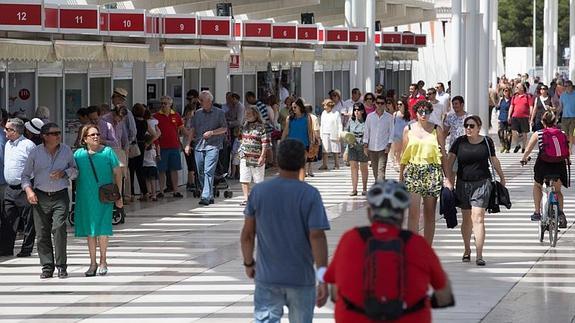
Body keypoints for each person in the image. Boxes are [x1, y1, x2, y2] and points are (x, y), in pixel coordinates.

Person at [323, 180, 454, 323]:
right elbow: (444, 294)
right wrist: (431, 301)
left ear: (369, 212)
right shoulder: (417, 244)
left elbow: (335, 291)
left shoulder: (350, 239)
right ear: (403, 213)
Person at [240, 139, 330, 323]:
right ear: (302, 162)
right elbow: (317, 237)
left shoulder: (259, 192)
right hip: (301, 278)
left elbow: (248, 235)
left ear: (278, 161)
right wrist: (322, 278)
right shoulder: (310, 194)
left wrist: (249, 263)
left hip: (267, 278)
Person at [446, 115, 506, 266]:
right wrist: (448, 179)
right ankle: (467, 249)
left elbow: (493, 159)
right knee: (466, 220)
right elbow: (449, 160)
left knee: (478, 217)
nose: (468, 128)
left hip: (482, 183)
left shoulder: (487, 141)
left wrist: (502, 177)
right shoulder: (459, 142)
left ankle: (479, 254)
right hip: (463, 184)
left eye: (472, 126)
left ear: (479, 127)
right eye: (466, 125)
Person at [21, 123, 77, 278]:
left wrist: (64, 173)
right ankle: (47, 266)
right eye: (54, 133)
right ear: (44, 136)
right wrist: (29, 190)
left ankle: (61, 266)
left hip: (60, 195)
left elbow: (75, 170)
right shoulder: (35, 152)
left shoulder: (66, 151)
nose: (58, 135)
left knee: (59, 228)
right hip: (40, 196)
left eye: (59, 132)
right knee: (42, 233)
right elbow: (25, 176)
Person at [74, 124, 123, 276]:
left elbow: (118, 174)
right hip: (85, 197)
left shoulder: (108, 152)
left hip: (104, 196)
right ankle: (92, 263)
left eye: (97, 134)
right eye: (92, 135)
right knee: (90, 230)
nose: (96, 137)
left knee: (102, 228)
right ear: (84, 139)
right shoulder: (78, 155)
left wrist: (119, 195)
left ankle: (103, 260)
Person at [400, 101, 449, 245]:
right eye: (420, 111)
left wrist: (447, 178)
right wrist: (400, 177)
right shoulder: (408, 129)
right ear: (415, 112)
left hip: (432, 171)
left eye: (426, 111)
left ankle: (426, 248)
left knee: (429, 213)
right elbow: (404, 155)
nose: (423, 114)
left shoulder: (436, 129)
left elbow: (443, 154)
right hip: (413, 170)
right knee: (413, 212)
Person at [521, 111, 569, 227]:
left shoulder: (539, 133)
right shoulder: (562, 133)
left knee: (537, 185)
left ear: (543, 122)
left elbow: (528, 150)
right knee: (558, 191)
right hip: (559, 165)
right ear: (555, 121)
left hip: (544, 165)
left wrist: (524, 158)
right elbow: (567, 151)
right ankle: (561, 214)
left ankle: (537, 212)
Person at [0, 118, 37, 257]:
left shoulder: (28, 145)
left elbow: (36, 165)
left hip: (25, 187)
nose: (4, 131)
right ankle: (5, 248)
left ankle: (26, 249)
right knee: (7, 219)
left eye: (7, 129)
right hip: (10, 187)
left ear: (15, 131)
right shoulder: (8, 144)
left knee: (28, 220)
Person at [185, 91, 227, 206]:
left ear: (209, 101)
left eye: (202, 101)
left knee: (208, 171)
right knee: (200, 172)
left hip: (213, 146)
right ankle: (209, 194)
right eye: (199, 100)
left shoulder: (219, 113)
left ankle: (205, 196)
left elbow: (224, 128)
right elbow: (192, 129)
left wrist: (212, 132)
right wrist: (188, 144)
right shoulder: (197, 114)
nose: (200, 102)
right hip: (199, 146)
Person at [154, 96, 187, 198]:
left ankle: (175, 190)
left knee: (174, 169)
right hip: (162, 147)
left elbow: (182, 129)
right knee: (161, 170)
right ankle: (161, 190)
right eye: (162, 103)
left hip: (174, 146)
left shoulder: (176, 115)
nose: (163, 105)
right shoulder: (156, 116)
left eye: (165, 103)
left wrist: (190, 135)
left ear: (170, 104)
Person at [238, 106, 270, 206]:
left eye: (249, 114)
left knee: (258, 179)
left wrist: (262, 156)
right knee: (244, 178)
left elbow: (265, 143)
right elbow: (240, 138)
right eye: (246, 114)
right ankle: (246, 198)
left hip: (257, 156)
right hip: (244, 156)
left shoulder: (262, 126)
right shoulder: (244, 125)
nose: (246, 116)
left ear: (255, 114)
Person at [363, 95, 394, 181]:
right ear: (375, 104)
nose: (379, 105)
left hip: (383, 148)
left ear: (385, 105)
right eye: (378, 103)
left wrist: (389, 145)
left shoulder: (389, 117)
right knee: (375, 172)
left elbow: (391, 132)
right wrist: (365, 146)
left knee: (381, 171)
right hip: (372, 148)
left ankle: (380, 191)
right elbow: (366, 131)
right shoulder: (370, 116)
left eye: (382, 103)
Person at [346, 103, 369, 196]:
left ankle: (364, 188)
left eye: (358, 110)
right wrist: (347, 146)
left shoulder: (367, 121)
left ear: (362, 111)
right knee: (353, 168)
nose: (356, 112)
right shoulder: (350, 121)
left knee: (364, 168)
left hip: (363, 146)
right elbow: (346, 133)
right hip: (352, 146)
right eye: (355, 110)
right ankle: (354, 189)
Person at [508, 82, 533, 153]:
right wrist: (509, 115)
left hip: (524, 117)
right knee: (513, 131)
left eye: (517, 87)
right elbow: (511, 106)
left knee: (524, 132)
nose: (516, 88)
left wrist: (531, 116)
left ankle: (523, 147)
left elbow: (531, 106)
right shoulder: (514, 96)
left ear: (522, 88)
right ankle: (517, 144)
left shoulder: (527, 96)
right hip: (515, 116)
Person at [319, 99, 342, 170]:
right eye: (324, 106)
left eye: (326, 106)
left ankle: (337, 164)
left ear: (330, 106)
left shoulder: (336, 113)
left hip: (334, 132)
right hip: (325, 133)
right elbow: (322, 124)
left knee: (335, 150)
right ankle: (324, 164)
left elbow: (339, 124)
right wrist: (321, 134)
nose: (324, 107)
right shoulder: (323, 113)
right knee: (325, 150)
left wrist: (339, 134)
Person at [392, 99, 411, 170]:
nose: (399, 106)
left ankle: (403, 163)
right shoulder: (395, 114)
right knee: (397, 150)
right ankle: (397, 163)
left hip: (406, 135)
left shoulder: (408, 114)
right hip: (397, 134)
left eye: (400, 104)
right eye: (398, 104)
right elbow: (393, 124)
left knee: (405, 150)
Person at [142, 134, 159, 201]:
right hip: (152, 166)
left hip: (145, 166)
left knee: (147, 181)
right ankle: (154, 195)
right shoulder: (153, 150)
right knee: (153, 181)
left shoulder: (143, 150)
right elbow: (155, 158)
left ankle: (148, 193)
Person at [559, 80, 575, 149]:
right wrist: (556, 115)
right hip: (564, 117)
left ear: (571, 86)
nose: (566, 87)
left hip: (573, 117)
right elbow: (560, 107)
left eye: (568, 86)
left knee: (571, 134)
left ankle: (570, 149)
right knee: (565, 134)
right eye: (565, 86)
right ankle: (567, 147)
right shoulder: (562, 95)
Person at [497, 86, 513, 153]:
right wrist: (499, 101)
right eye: (505, 91)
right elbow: (497, 108)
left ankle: (507, 148)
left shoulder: (511, 100)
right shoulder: (502, 100)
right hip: (501, 118)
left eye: (507, 91)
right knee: (500, 133)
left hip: (508, 119)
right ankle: (503, 145)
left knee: (508, 134)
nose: (506, 92)